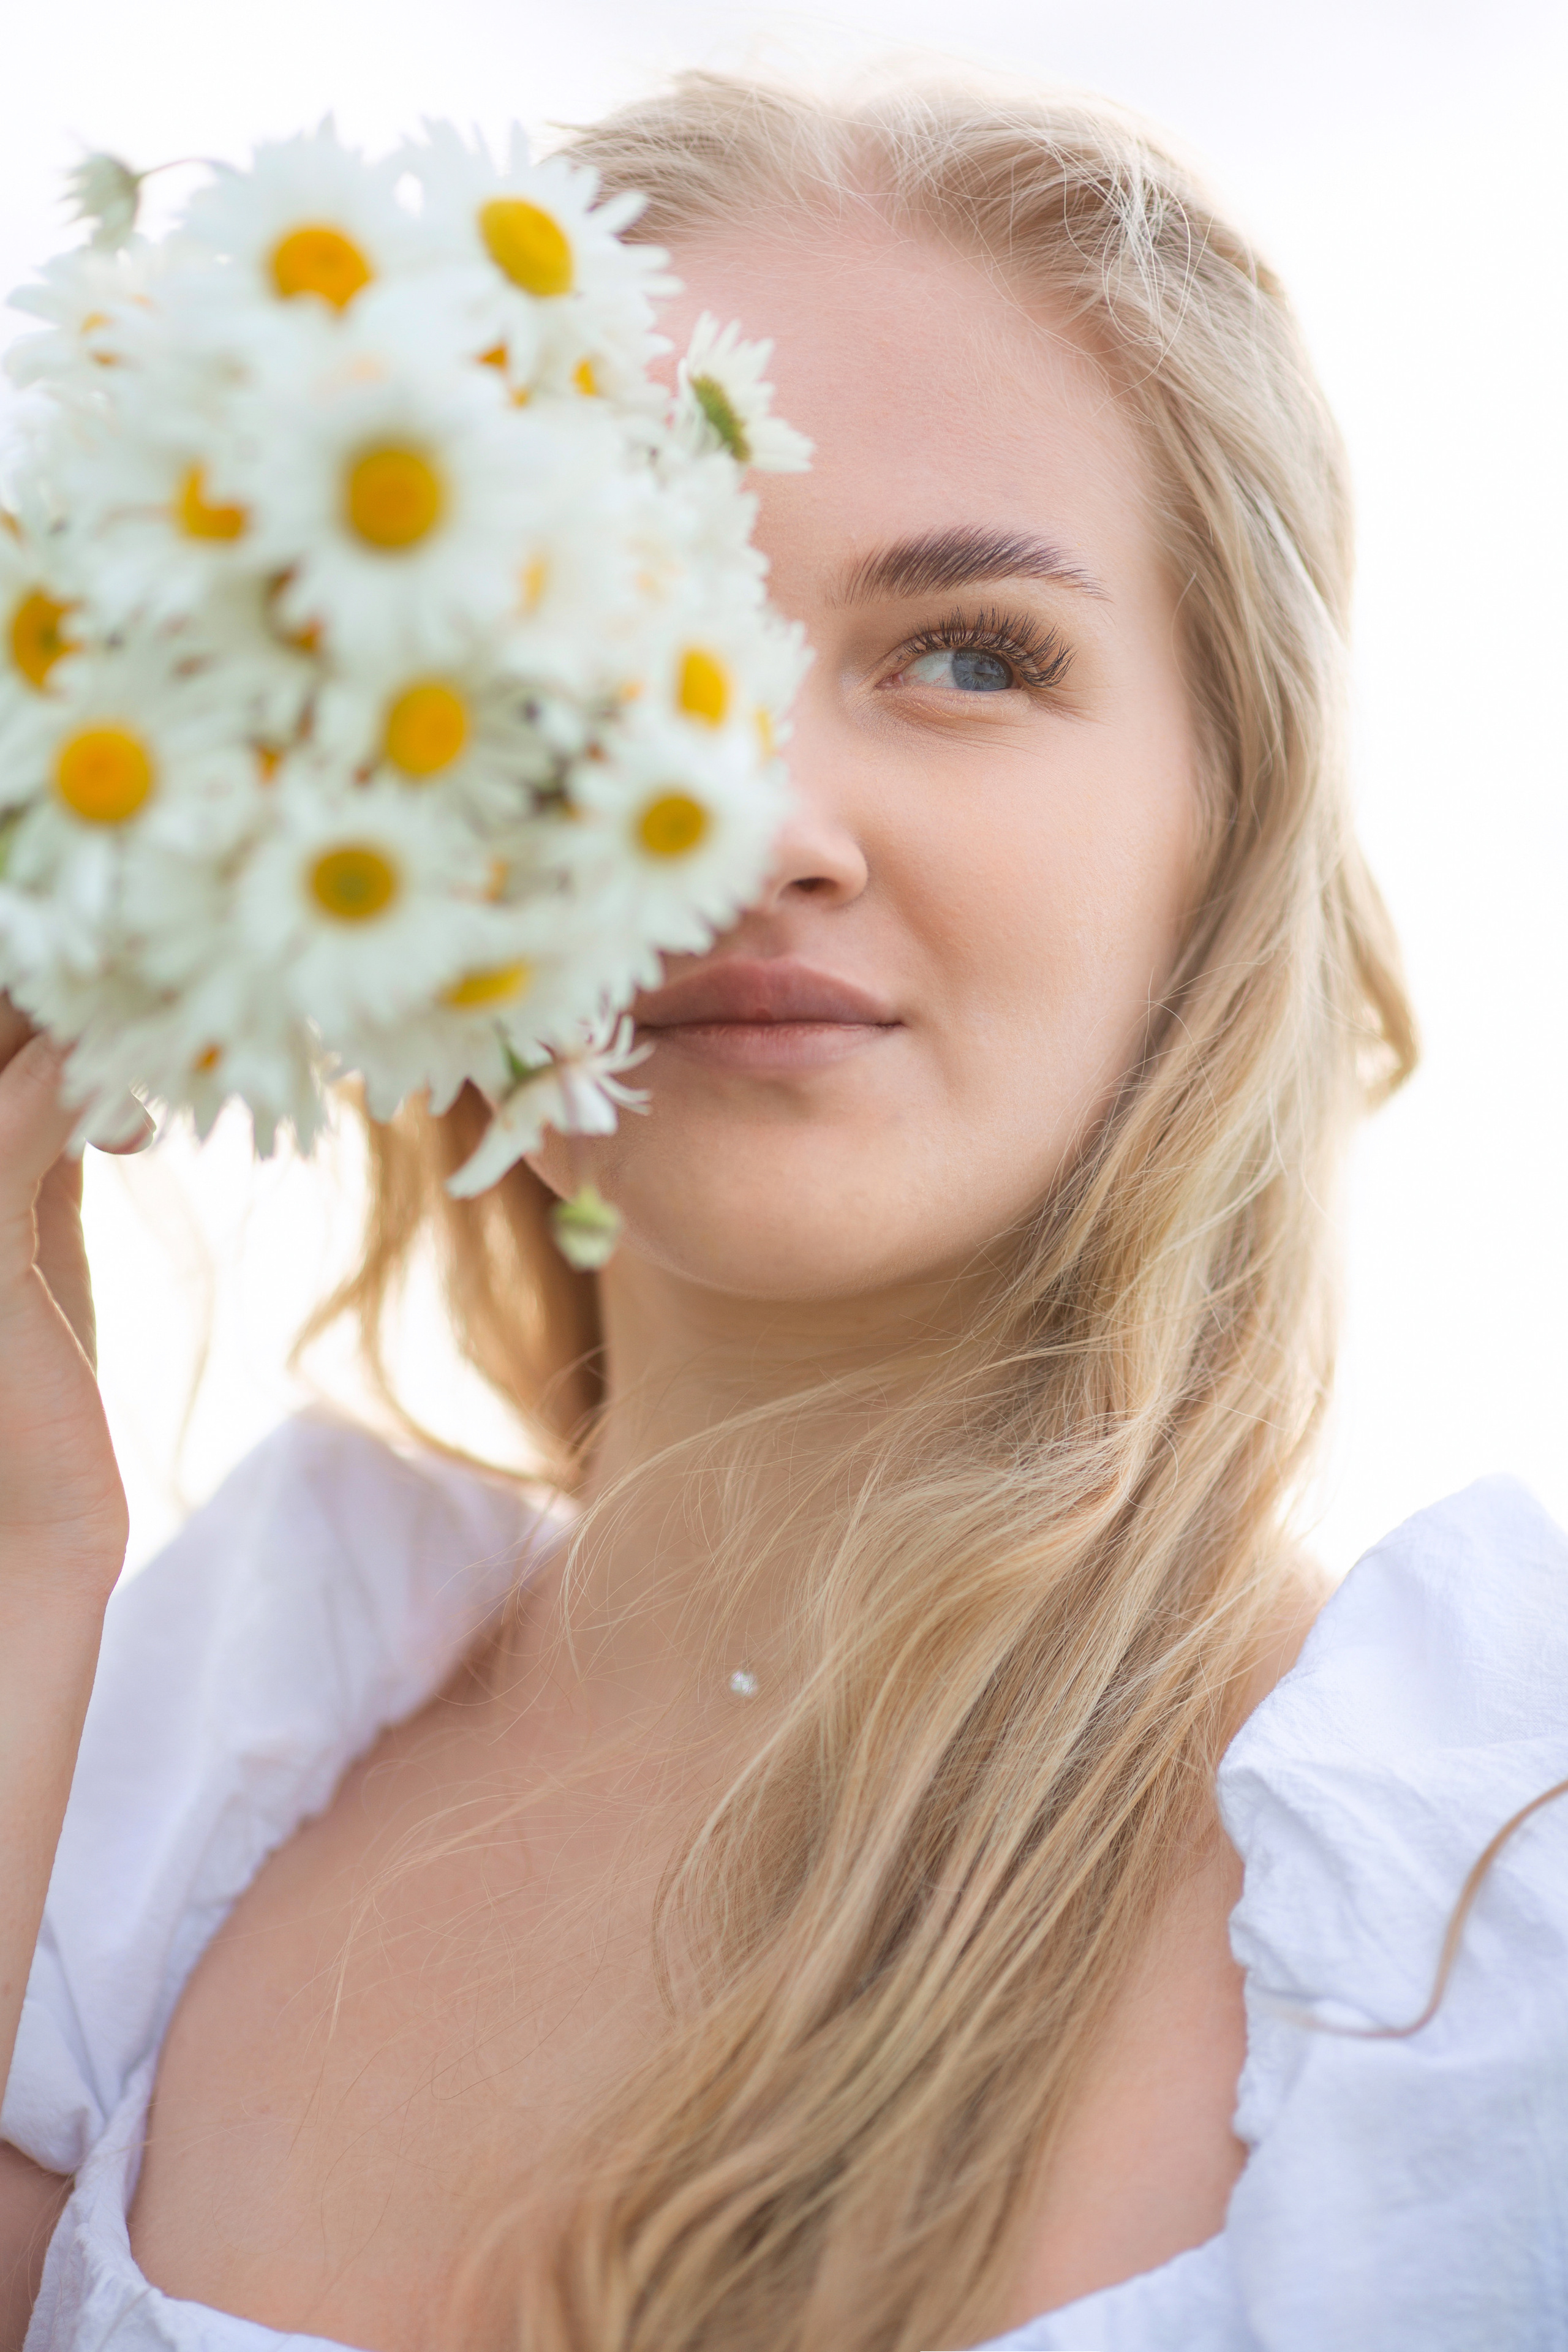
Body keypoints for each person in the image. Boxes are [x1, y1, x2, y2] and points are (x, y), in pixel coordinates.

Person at [1, 68, 1566, 2352]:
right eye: (606, 655)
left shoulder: (1475, 1899)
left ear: (1224, 833)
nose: (747, 816)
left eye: (966, 657)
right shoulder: (163, 1775)